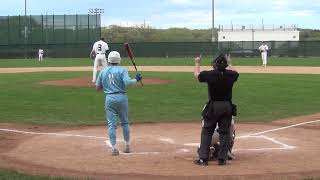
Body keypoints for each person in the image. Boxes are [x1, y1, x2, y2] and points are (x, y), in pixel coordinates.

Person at [193, 54, 239, 166]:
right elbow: (236, 73)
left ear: (215, 65)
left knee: (207, 131)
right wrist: (230, 62)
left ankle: (203, 159)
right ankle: (222, 159)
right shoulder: (231, 75)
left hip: (214, 106)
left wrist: (197, 63)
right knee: (224, 132)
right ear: (226, 65)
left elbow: (197, 75)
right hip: (227, 106)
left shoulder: (210, 74)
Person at [95, 51, 142, 156]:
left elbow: (98, 88)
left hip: (109, 99)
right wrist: (136, 79)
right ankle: (127, 145)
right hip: (122, 98)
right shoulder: (122, 70)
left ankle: (114, 148)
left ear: (109, 60)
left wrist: (106, 86)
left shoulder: (103, 71)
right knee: (125, 122)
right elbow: (128, 83)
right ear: (119, 60)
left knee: (112, 124)